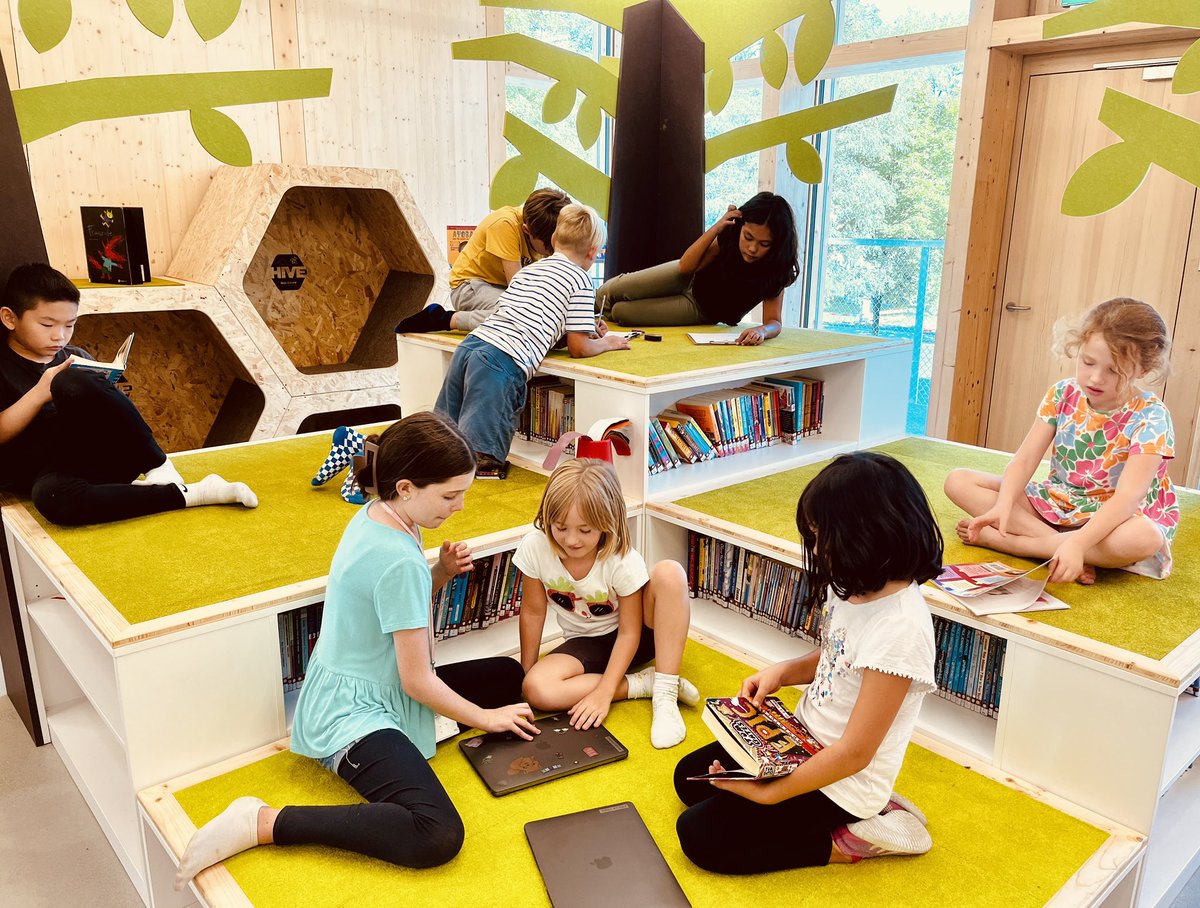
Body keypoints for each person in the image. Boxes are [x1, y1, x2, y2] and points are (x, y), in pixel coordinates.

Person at [174, 412, 536, 887]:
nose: (462, 506)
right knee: (437, 833)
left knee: (509, 677)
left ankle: (441, 724)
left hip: (367, 681)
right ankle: (263, 822)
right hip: (354, 712)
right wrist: (484, 719)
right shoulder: (397, 554)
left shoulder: (380, 514)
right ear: (406, 487)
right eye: (451, 495)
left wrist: (441, 574)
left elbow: (393, 606)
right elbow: (416, 681)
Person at [673, 451, 941, 873]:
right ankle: (858, 808)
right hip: (804, 742)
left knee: (701, 837)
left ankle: (856, 837)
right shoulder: (854, 584)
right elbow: (836, 656)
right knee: (689, 778)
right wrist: (780, 673)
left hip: (846, 781)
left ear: (865, 534)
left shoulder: (902, 630)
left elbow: (855, 754)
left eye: (820, 536)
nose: (815, 548)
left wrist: (772, 793)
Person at [0, 263, 256, 526]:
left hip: (98, 460)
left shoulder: (75, 359)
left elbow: (110, 423)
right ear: (10, 318)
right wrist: (41, 391)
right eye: (47, 324)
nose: (60, 336)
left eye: (70, 325)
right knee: (53, 499)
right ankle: (194, 493)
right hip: (45, 474)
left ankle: (159, 467)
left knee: (72, 379)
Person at [945, 297, 1177, 584]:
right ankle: (1059, 545)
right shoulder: (1063, 393)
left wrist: (1079, 543)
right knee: (959, 481)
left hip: (1114, 516)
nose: (1095, 377)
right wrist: (1003, 504)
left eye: (1114, 371)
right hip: (1059, 501)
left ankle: (1013, 543)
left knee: (1145, 537)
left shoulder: (1151, 416)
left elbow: (1128, 498)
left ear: (1143, 370)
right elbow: (1026, 459)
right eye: (1087, 361)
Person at [434, 203, 630, 475]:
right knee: (480, 457)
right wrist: (608, 342)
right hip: (501, 360)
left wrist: (581, 325)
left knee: (442, 436)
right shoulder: (582, 281)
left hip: (472, 346)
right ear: (593, 252)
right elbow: (579, 347)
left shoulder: (529, 271)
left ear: (553, 240)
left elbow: (533, 314)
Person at [516, 458, 699, 749]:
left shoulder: (621, 559)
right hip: (586, 644)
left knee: (670, 574)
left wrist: (604, 692)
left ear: (606, 523)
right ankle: (642, 684)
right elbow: (533, 612)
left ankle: (665, 690)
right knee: (537, 689)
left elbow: (629, 633)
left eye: (585, 530)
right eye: (560, 527)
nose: (571, 540)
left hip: (638, 638)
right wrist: (523, 679)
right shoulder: (534, 547)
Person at [595, 192, 800, 345]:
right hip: (687, 276)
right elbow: (686, 266)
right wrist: (717, 227)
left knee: (621, 312)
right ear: (741, 226)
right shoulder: (730, 232)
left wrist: (763, 331)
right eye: (748, 237)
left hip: (701, 308)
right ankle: (583, 324)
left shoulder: (777, 267)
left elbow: (774, 321)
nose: (753, 248)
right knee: (607, 291)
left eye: (764, 244)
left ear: (776, 245)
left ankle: (598, 327)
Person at [397, 188, 571, 334]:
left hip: (500, 289)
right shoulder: (504, 224)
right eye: (549, 245)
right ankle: (445, 318)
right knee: (519, 314)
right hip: (469, 286)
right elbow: (518, 291)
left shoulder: (546, 229)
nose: (554, 250)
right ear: (526, 230)